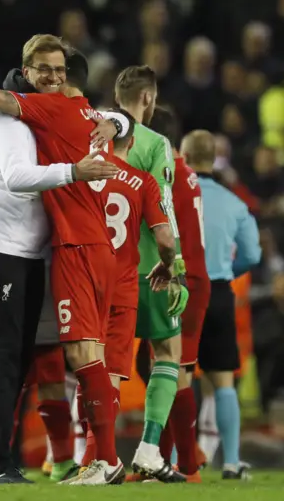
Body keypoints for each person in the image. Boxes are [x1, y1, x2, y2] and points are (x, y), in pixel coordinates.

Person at [0, 35, 128, 484]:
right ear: (27, 70)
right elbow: (17, 176)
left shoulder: (47, 110)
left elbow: (101, 115)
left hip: (33, 248)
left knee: (17, 357)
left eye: (59, 69)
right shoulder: (12, 114)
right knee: (1, 356)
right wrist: (76, 171)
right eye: (43, 70)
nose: (54, 77)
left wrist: (117, 122)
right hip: (2, 247)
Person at [87, 108, 176, 472]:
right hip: (125, 283)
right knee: (111, 375)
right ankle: (105, 459)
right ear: (134, 141)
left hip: (84, 281)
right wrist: (168, 265)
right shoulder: (144, 181)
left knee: (85, 367)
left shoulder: (86, 175)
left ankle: (88, 457)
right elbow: (166, 238)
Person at [112, 66, 189, 482]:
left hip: (99, 269)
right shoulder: (155, 143)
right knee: (167, 354)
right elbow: (164, 207)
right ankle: (148, 448)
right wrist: (174, 265)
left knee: (97, 365)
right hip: (148, 269)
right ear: (148, 99)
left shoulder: (95, 137)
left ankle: (92, 454)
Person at [181, 129, 261, 480]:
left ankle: (172, 457)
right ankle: (230, 461)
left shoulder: (171, 195)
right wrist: (229, 270)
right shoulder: (235, 203)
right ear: (214, 159)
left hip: (179, 290)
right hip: (218, 292)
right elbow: (252, 255)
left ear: (183, 156)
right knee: (224, 380)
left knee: (175, 375)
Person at [147, 106, 211, 482]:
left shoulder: (168, 175)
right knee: (163, 366)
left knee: (176, 370)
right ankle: (166, 458)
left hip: (180, 278)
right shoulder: (186, 174)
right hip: (191, 277)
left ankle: (186, 464)